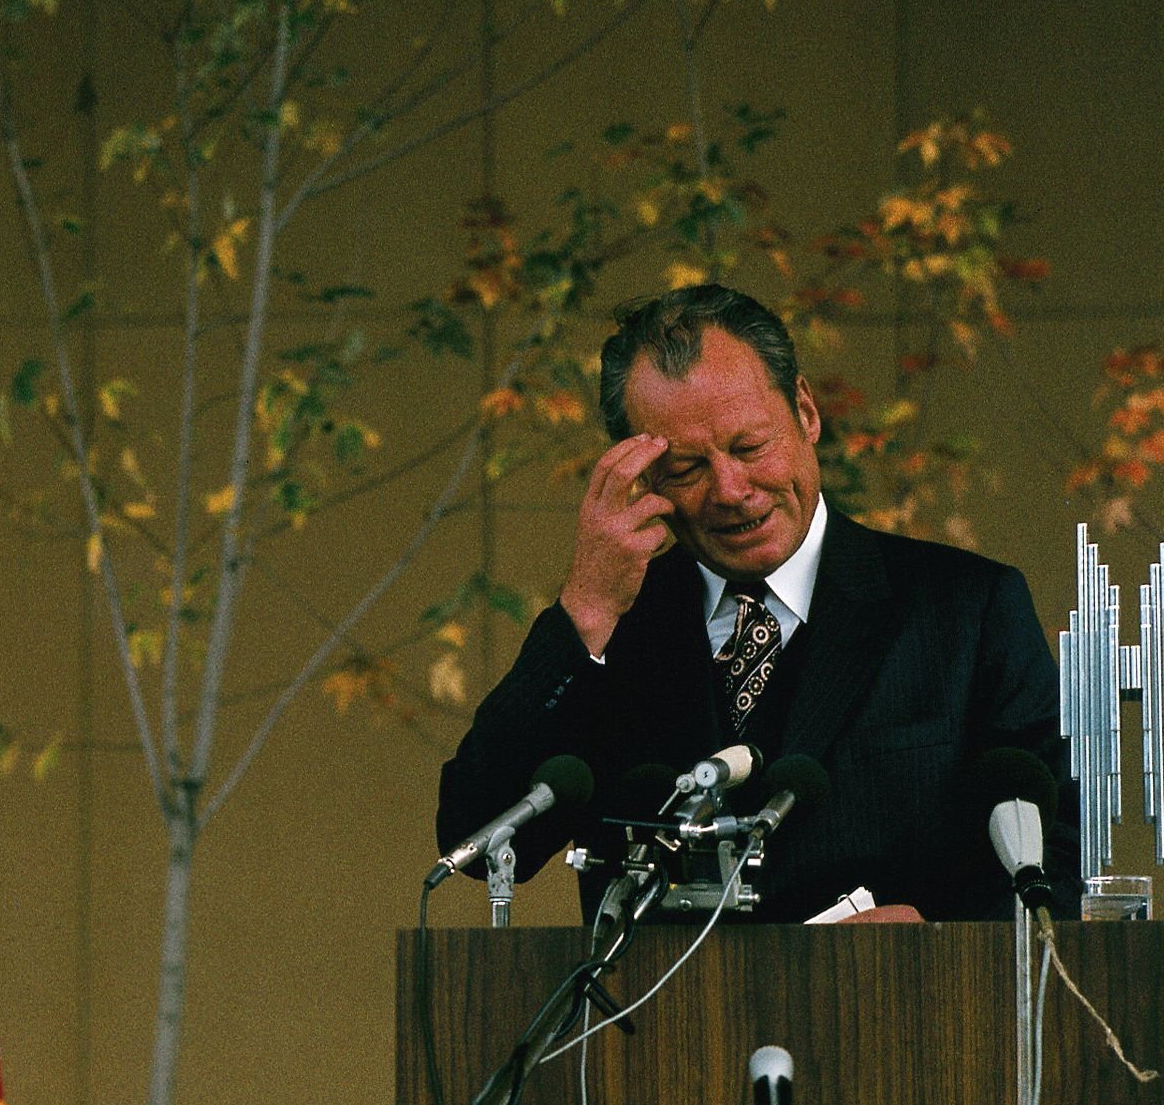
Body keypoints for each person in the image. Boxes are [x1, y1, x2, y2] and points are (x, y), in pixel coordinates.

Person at [436, 284, 1080, 923]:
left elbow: (1054, 866)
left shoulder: (966, 610)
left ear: (804, 411)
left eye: (750, 447)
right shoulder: (617, 631)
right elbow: (476, 843)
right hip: (662, 1019)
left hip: (908, 1012)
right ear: (642, 478)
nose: (731, 490)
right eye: (686, 469)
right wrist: (584, 613)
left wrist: (931, 943)